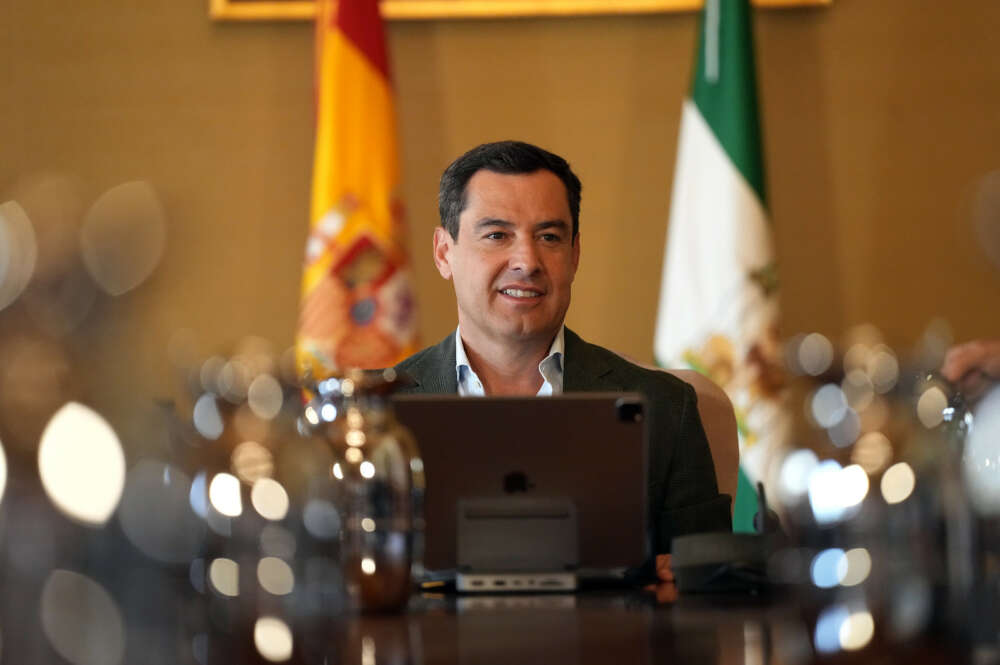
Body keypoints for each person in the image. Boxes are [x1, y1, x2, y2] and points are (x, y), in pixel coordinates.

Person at [393, 140, 731, 583]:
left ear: (574, 254)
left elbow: (711, 583)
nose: (527, 262)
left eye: (549, 237)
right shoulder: (372, 410)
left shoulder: (666, 406)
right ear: (444, 252)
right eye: (497, 235)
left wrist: (690, 576)